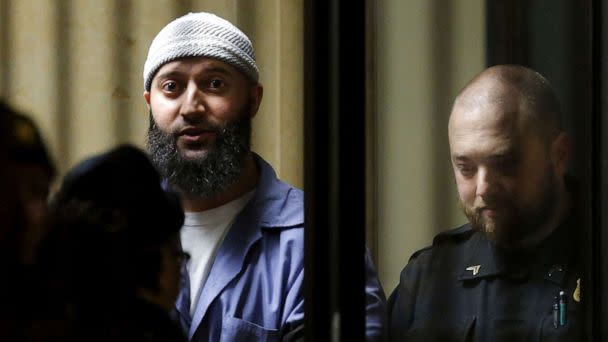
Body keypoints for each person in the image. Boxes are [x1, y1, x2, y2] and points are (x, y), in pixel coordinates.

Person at [142, 12, 386, 341]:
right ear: (150, 103)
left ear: (253, 99)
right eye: (171, 87)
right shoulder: (118, 233)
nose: (191, 107)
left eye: (215, 84)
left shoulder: (317, 240)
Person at [388, 65, 582, 341]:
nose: (484, 188)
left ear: (559, 155)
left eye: (504, 164)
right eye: (466, 168)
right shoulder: (430, 278)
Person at [38, 145, 187, 341]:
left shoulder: (41, 323)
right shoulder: (155, 331)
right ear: (151, 257)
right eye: (177, 255)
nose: (181, 272)